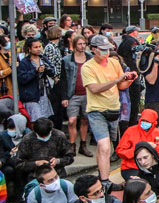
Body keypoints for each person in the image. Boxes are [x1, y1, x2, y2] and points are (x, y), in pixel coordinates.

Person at [82, 35, 137, 193]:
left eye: (108, 49)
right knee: (104, 146)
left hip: (114, 109)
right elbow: (94, 89)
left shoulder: (114, 62)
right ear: (93, 49)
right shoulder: (88, 67)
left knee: (109, 146)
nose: (106, 53)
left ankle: (103, 177)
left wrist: (130, 79)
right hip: (97, 110)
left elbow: (121, 86)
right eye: (103, 50)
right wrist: (117, 80)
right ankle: (105, 181)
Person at [60, 34, 93, 157]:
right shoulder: (67, 60)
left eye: (84, 43)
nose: (82, 46)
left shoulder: (90, 58)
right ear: (74, 45)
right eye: (80, 44)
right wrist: (64, 97)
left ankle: (83, 145)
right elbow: (63, 79)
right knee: (72, 120)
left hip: (87, 93)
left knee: (85, 119)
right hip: (72, 94)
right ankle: (72, 145)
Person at [115, 108, 159, 180]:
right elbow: (120, 150)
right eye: (143, 120)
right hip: (131, 167)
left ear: (153, 123)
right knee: (139, 184)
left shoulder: (157, 133)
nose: (144, 123)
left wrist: (155, 147)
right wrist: (136, 151)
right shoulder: (130, 131)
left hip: (152, 166)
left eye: (147, 121)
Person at [17, 38, 55, 121]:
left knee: (45, 119)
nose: (38, 49)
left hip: (43, 93)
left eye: (39, 46)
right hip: (32, 96)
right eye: (35, 47)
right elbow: (22, 78)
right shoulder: (24, 62)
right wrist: (35, 71)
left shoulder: (43, 59)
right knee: (36, 120)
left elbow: (52, 70)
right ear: (29, 49)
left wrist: (47, 69)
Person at [117, 26, 143, 129]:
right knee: (134, 98)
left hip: (125, 72)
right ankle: (132, 122)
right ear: (133, 32)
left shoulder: (123, 42)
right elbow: (136, 57)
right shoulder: (132, 42)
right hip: (133, 72)